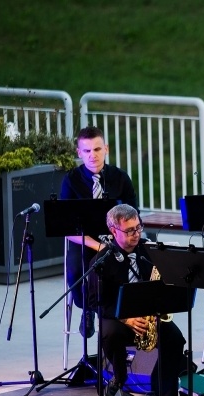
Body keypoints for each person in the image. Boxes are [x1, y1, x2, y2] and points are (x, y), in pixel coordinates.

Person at [88, 204, 187, 396]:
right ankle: (120, 375)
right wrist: (125, 319)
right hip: (118, 317)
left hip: (148, 313)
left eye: (138, 227)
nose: (136, 234)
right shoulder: (101, 262)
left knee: (175, 338)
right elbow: (97, 302)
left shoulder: (149, 251)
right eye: (129, 230)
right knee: (110, 333)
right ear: (114, 231)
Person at [60, 126, 137, 339]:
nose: (92, 155)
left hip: (118, 238)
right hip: (84, 239)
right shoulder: (71, 180)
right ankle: (89, 308)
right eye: (87, 151)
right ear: (79, 153)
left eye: (97, 149)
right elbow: (65, 226)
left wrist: (119, 239)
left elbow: (134, 214)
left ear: (106, 149)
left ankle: (127, 311)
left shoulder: (120, 178)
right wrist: (97, 245)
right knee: (77, 271)